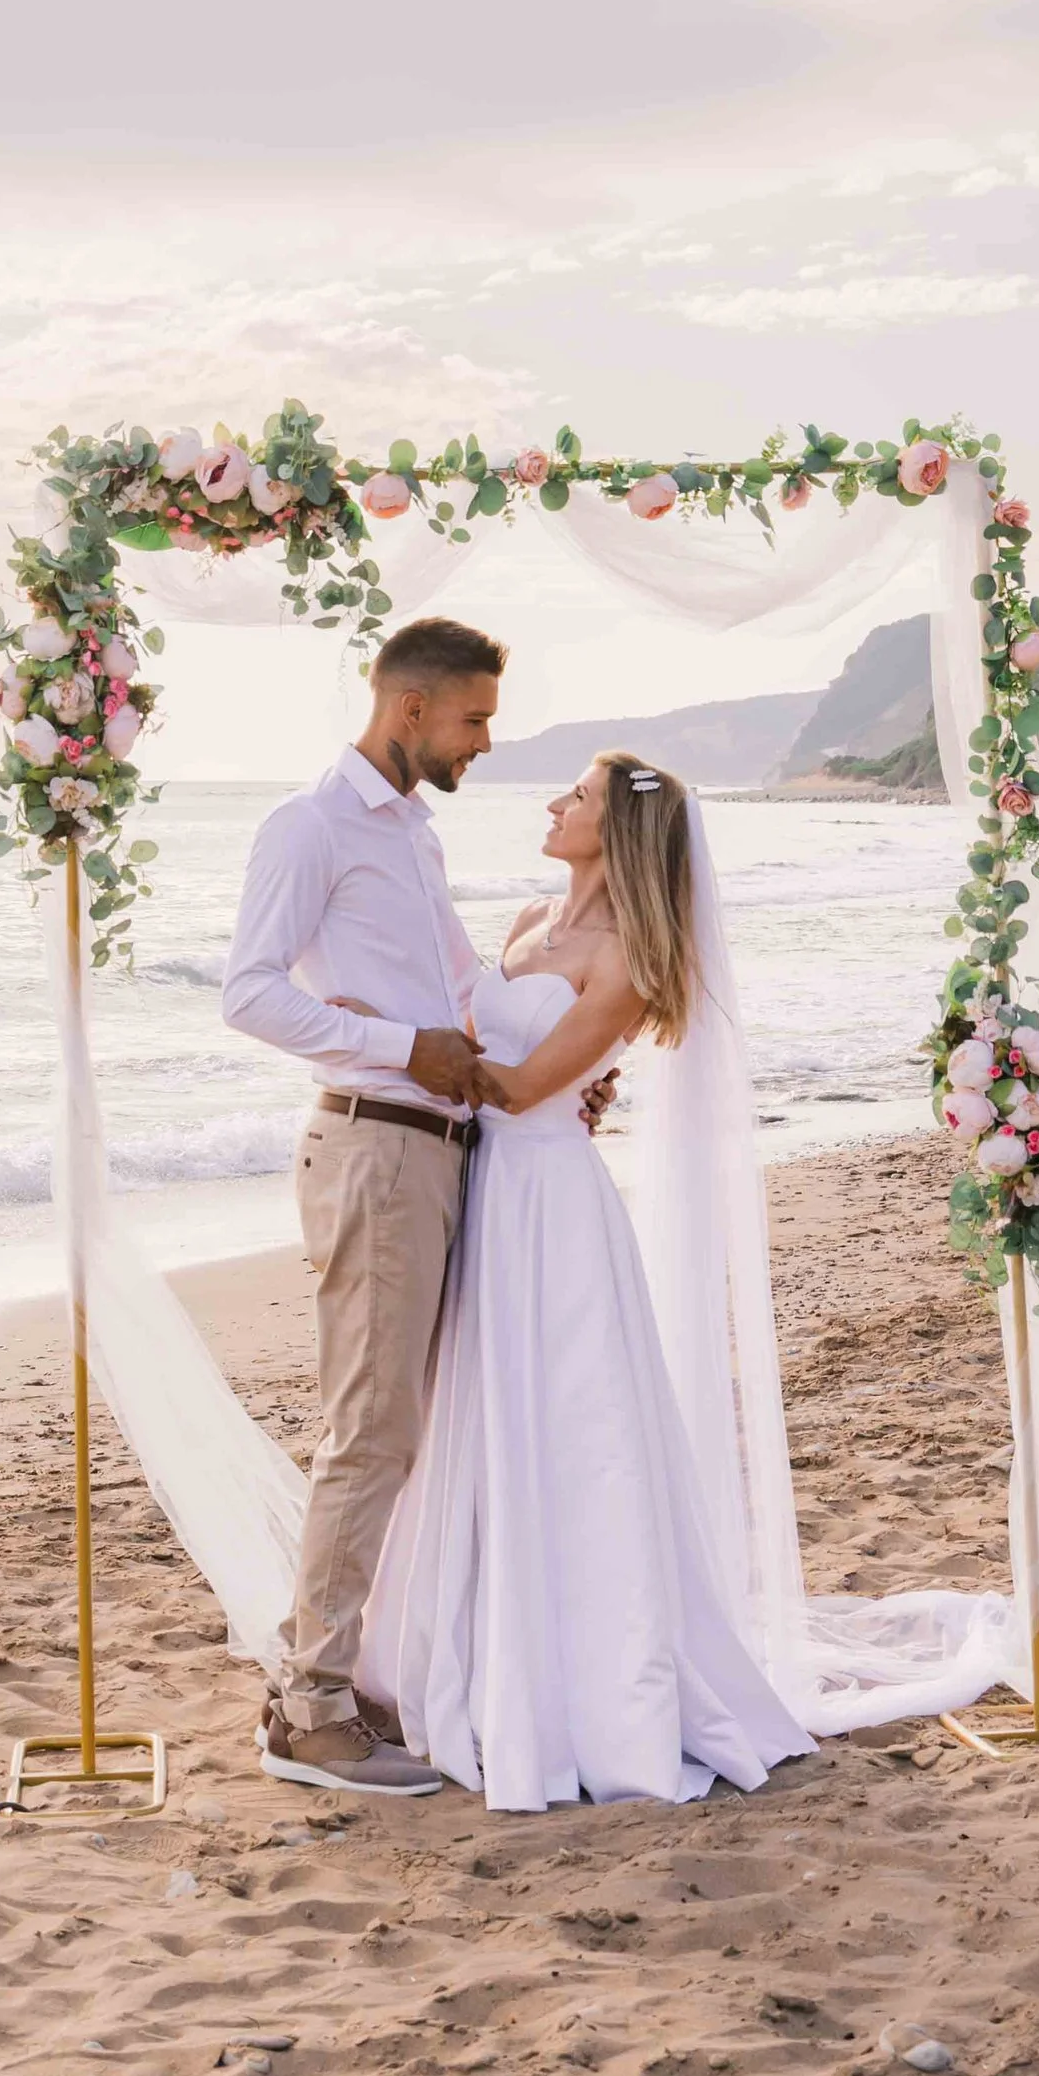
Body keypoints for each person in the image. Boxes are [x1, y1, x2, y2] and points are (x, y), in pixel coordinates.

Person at [356, 754, 816, 1811]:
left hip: (551, 1202)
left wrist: (387, 1055)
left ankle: (578, 1682)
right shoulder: (524, 917)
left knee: (571, 1422)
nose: (555, 804)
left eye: (577, 797)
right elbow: (473, 1032)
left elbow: (521, 1085)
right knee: (478, 1413)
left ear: (616, 834)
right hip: (486, 1188)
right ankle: (465, 1643)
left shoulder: (627, 959)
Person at [220, 614, 511, 1796]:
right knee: (369, 1431)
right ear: (409, 710)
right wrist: (406, 1050)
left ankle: (362, 1673)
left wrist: (523, 1071)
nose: (483, 741)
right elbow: (248, 995)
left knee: (410, 1432)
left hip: (438, 1146)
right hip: (375, 1154)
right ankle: (309, 1704)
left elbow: (458, 989)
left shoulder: (414, 838)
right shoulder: (309, 826)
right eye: (474, 718)